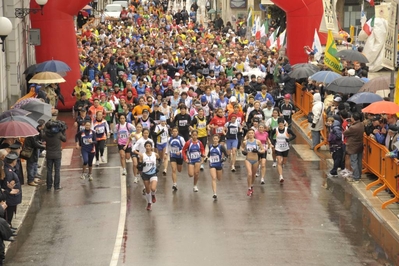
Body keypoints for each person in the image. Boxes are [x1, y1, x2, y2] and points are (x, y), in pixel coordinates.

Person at [42, 120, 66, 191]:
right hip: (57, 155)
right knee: (57, 170)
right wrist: (63, 132)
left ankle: (49, 186)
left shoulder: (46, 134)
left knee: (49, 170)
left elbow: (42, 136)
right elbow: (64, 139)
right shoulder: (58, 134)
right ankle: (56, 186)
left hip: (49, 154)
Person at [241, 129, 265, 196]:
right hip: (248, 159)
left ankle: (251, 185)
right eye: (249, 133)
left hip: (255, 160)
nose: (251, 134)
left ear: (254, 134)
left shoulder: (258, 142)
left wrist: (258, 151)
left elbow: (263, 150)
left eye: (252, 133)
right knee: (249, 174)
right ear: (248, 134)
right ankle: (249, 188)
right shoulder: (245, 142)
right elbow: (242, 148)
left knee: (253, 174)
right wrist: (243, 152)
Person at [343, 112, 364, 183]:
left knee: (354, 162)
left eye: (351, 117)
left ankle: (356, 177)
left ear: (354, 119)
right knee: (359, 162)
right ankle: (359, 175)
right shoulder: (361, 124)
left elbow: (345, 133)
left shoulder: (353, 127)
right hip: (360, 146)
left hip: (353, 147)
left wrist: (349, 126)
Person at [23, 120, 46, 186]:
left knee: (33, 164)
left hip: (33, 151)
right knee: (31, 166)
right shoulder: (32, 135)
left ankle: (33, 177)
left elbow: (38, 141)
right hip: (30, 152)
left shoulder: (36, 133)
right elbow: (35, 143)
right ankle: (30, 180)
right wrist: (43, 146)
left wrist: (41, 144)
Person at [273, 118, 296, 183]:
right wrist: (273, 142)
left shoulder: (287, 130)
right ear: (278, 124)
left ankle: (282, 166)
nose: (280, 126)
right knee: (279, 162)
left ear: (284, 124)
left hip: (285, 148)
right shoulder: (275, 130)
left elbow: (294, 136)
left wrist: (289, 140)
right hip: (278, 148)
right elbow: (271, 136)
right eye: (279, 124)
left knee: (284, 162)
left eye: (281, 124)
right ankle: (281, 176)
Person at [138, 141, 159, 211]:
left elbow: (159, 161)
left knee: (153, 188)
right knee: (147, 190)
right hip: (145, 174)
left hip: (153, 173)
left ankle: (153, 194)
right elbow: (139, 166)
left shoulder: (155, 154)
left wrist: (158, 167)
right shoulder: (142, 155)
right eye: (146, 146)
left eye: (149, 146)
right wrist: (141, 165)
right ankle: (149, 203)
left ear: (151, 147)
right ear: (145, 147)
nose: (148, 147)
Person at [2, 152, 21, 228]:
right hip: (10, 197)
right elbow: (8, 185)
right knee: (8, 214)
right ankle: (8, 227)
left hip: (12, 197)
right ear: (14, 161)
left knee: (10, 213)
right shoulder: (9, 172)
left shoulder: (9, 169)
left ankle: (9, 226)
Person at [207, 135, 228, 200]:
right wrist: (205, 158)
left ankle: (215, 191)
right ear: (213, 139)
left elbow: (226, 155)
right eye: (214, 139)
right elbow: (209, 154)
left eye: (216, 139)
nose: (215, 140)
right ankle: (214, 193)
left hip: (219, 164)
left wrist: (224, 159)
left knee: (219, 178)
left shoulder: (221, 147)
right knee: (213, 178)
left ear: (218, 140)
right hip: (212, 164)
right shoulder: (210, 146)